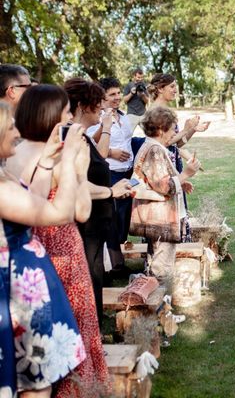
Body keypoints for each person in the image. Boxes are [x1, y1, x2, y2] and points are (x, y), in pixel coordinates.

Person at [7, 85, 110, 396]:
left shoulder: (12, 155)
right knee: (75, 331)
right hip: (62, 254)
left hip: (21, 262)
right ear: (52, 117)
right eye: (66, 113)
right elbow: (80, 211)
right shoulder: (61, 155)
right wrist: (76, 170)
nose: (70, 119)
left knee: (31, 342)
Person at [0, 102, 88, 396]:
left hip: (27, 285)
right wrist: (72, 161)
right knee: (35, 384)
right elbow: (58, 213)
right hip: (15, 293)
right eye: (11, 126)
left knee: (33, 379)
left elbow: (32, 204)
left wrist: (49, 160)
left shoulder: (4, 176)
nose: (17, 132)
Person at [63, 78, 132, 325]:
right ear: (82, 106)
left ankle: (96, 329)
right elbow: (75, 185)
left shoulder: (82, 135)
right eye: (97, 104)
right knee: (90, 277)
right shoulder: (72, 137)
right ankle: (93, 331)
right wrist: (111, 192)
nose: (102, 109)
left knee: (96, 275)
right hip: (87, 224)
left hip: (96, 223)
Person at [130, 107, 201, 281]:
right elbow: (164, 187)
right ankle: (155, 299)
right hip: (160, 218)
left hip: (156, 216)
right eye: (172, 129)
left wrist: (181, 183)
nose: (174, 133)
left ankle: (146, 288)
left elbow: (155, 180)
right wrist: (186, 174)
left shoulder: (153, 146)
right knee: (161, 267)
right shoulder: (154, 150)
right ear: (161, 129)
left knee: (156, 259)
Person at [147, 73, 210, 242]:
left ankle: (179, 249)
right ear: (160, 89)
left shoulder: (168, 110)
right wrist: (185, 129)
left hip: (174, 163)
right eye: (172, 86)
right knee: (166, 209)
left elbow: (177, 144)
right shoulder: (154, 111)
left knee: (178, 208)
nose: (176, 90)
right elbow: (162, 143)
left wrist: (193, 130)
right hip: (161, 164)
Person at [88, 77, 134, 275]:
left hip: (128, 172)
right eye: (112, 95)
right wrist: (112, 152)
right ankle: (115, 264)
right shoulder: (96, 119)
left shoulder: (123, 117)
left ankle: (118, 256)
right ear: (102, 98)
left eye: (118, 93)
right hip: (110, 173)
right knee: (112, 219)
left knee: (124, 218)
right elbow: (92, 145)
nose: (117, 98)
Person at [123, 67, 149, 132]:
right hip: (131, 114)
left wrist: (143, 95)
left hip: (143, 114)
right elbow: (125, 100)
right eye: (138, 77)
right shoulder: (129, 85)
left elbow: (147, 101)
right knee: (127, 134)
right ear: (134, 76)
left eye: (141, 77)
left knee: (149, 134)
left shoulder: (144, 85)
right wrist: (131, 93)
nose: (140, 79)